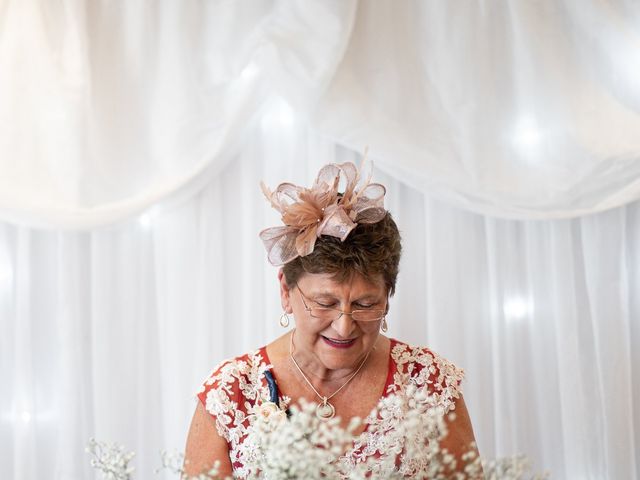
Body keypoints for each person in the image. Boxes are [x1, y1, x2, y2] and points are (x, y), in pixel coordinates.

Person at [184, 162, 480, 478]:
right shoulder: (232, 392)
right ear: (286, 290)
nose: (344, 326)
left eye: (366, 304)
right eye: (324, 303)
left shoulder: (429, 385)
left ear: (388, 295)